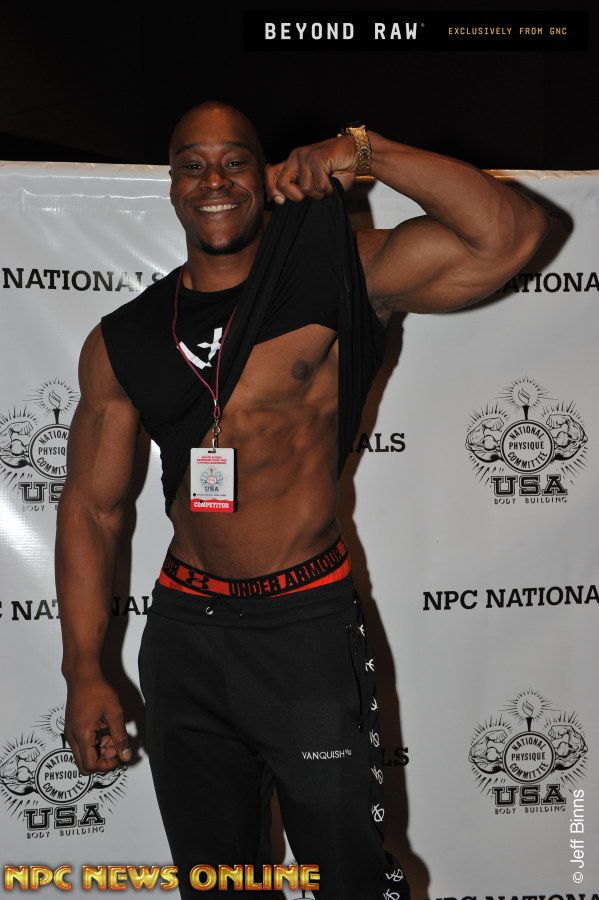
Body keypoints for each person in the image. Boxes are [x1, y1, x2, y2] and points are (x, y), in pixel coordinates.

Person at [55, 101, 549, 898]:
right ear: (171, 184)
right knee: (220, 883)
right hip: (185, 636)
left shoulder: (333, 272)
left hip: (302, 631)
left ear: (265, 174)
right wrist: (84, 668)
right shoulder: (125, 339)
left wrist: (366, 150)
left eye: (234, 160)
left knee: (349, 879)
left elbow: (508, 236)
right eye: (191, 164)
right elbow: (91, 510)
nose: (213, 180)